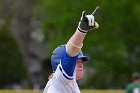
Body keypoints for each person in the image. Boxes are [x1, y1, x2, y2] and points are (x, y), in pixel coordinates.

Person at [43, 8, 99, 93]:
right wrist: (81, 31)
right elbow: (70, 53)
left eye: (81, 60)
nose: (81, 64)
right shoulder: (61, 80)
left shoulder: (63, 84)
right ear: (61, 65)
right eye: (76, 61)